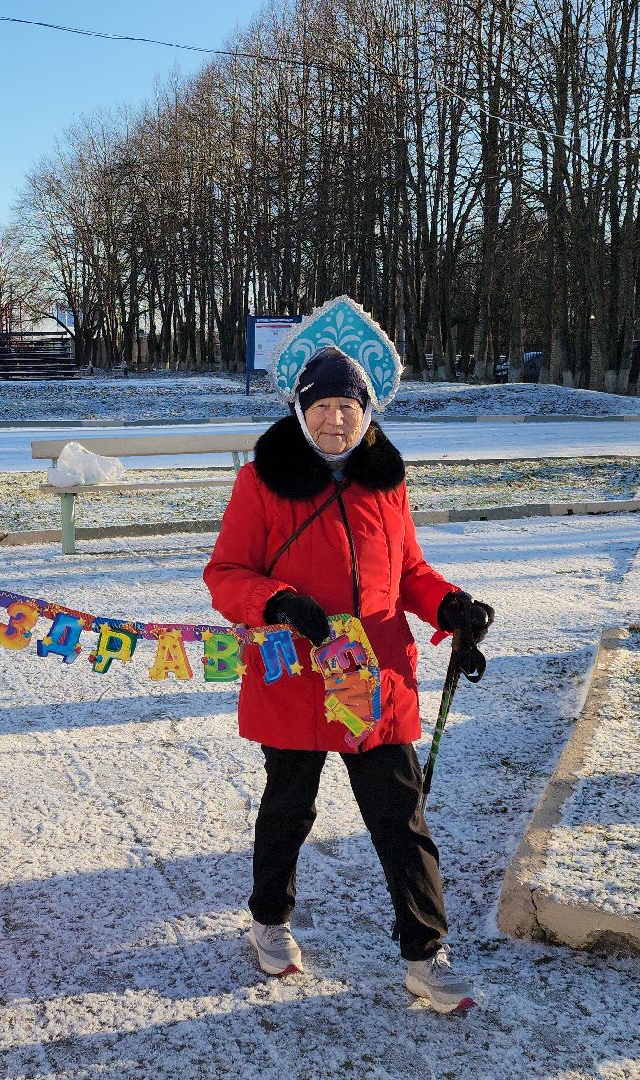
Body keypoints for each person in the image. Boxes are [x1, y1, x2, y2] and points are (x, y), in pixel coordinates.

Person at [204, 343, 495, 1015]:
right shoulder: (261, 483)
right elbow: (225, 574)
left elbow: (408, 570)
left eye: (348, 407)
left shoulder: (386, 480)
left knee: (400, 816)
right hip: (296, 674)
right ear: (300, 410)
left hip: (375, 676)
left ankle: (426, 953)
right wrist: (277, 602)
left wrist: (449, 605)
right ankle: (269, 920)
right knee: (289, 807)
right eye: (323, 406)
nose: (336, 419)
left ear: (367, 413)